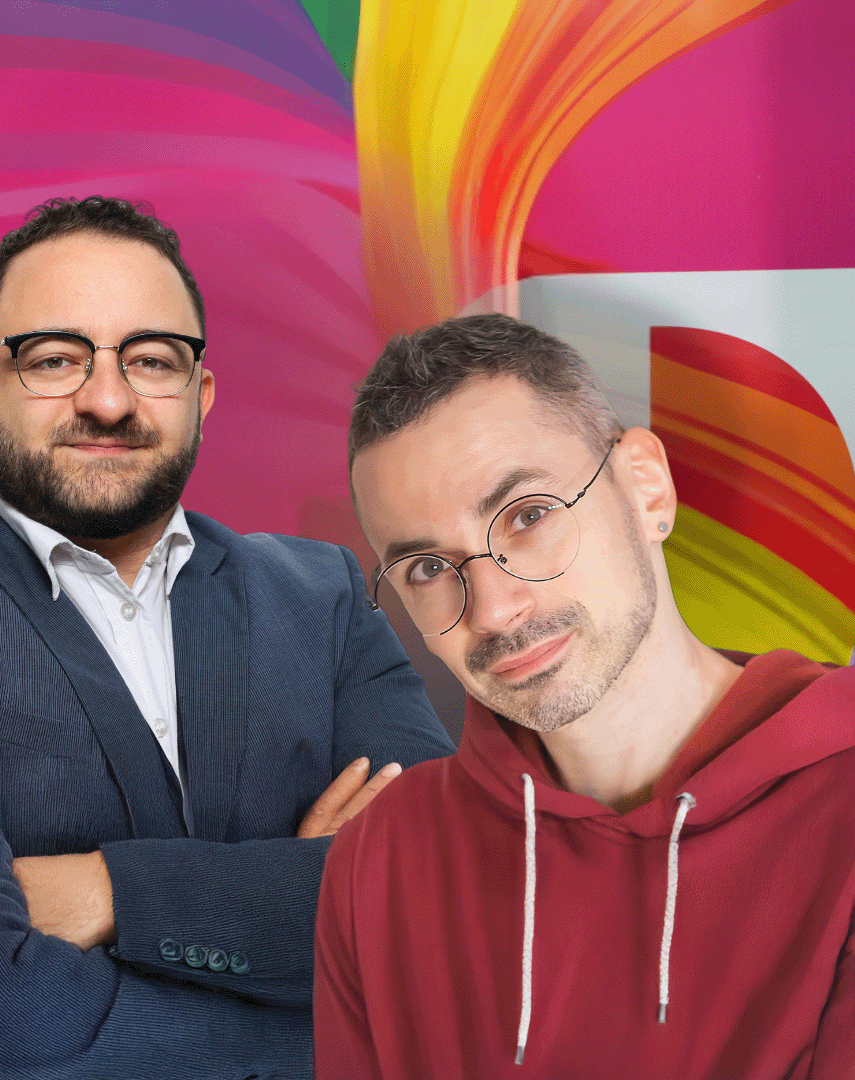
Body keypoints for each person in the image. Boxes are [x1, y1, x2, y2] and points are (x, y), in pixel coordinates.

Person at [0, 196, 455, 1080]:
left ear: (201, 396)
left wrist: (108, 892)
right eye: (53, 358)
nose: (108, 398)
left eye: (152, 360)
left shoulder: (321, 596)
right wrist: (311, 915)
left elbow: (450, 913)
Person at [314, 313, 854, 1079]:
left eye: (529, 517)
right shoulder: (380, 857)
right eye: (430, 569)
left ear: (646, 487)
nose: (495, 609)